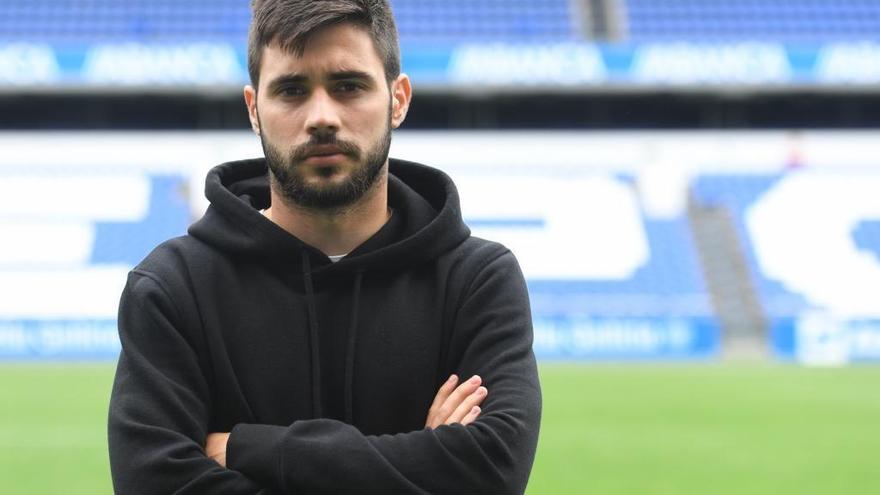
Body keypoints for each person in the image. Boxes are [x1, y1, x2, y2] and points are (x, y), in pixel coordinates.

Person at [107, 0, 541, 493]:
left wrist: (250, 449)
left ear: (398, 99)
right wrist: (425, 459)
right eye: (291, 90)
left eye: (348, 86)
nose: (321, 116)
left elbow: (492, 472)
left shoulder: (476, 280)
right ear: (254, 109)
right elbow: (153, 483)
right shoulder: (173, 286)